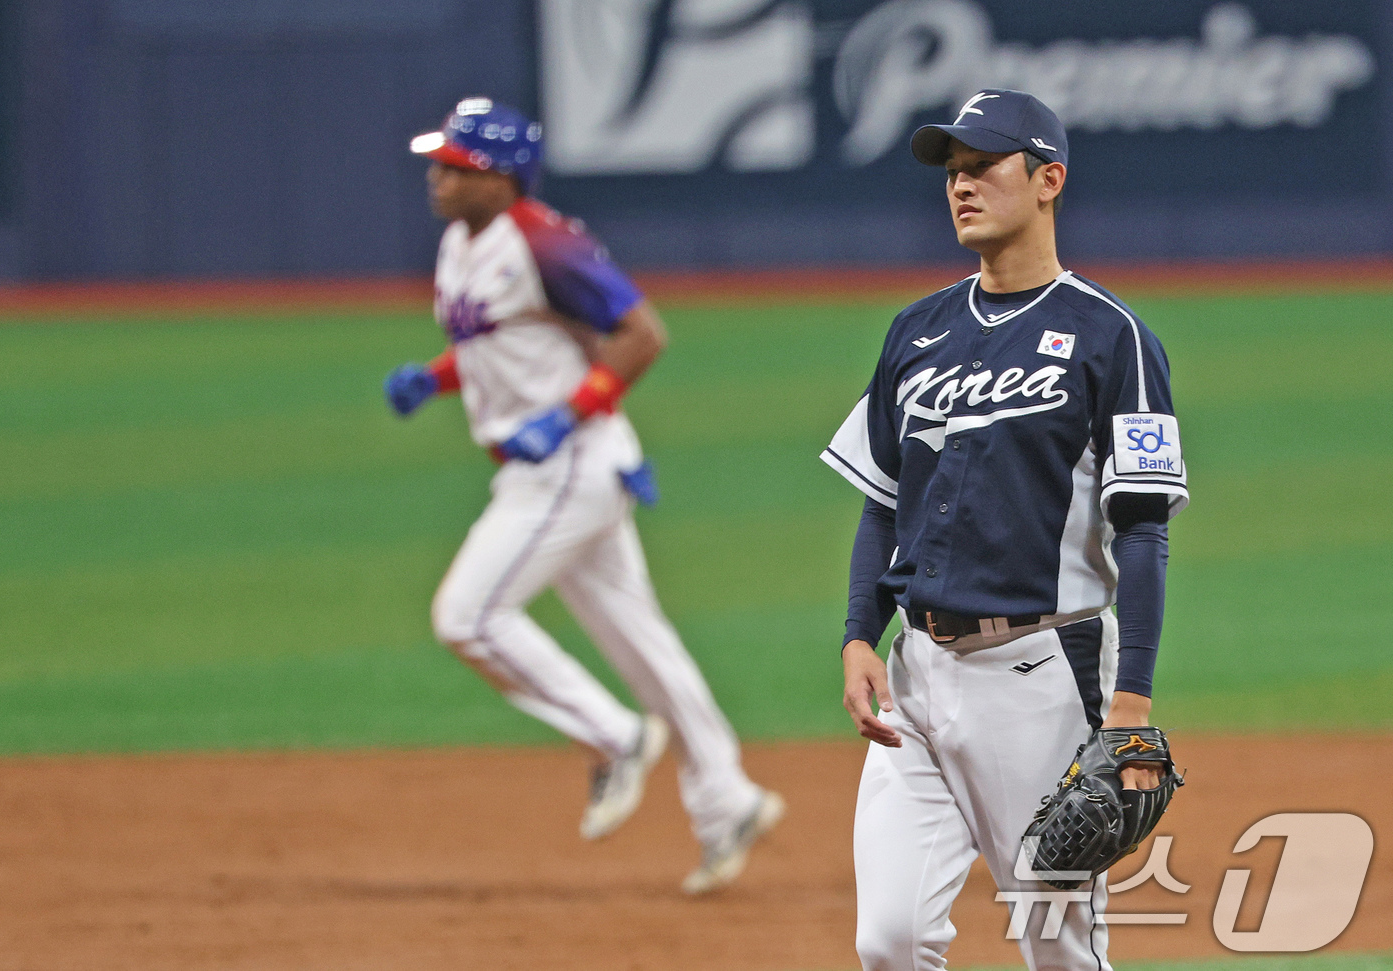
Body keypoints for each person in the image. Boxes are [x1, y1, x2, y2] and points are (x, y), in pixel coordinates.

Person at [820, 89, 1188, 970]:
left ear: (1048, 179)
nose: (961, 186)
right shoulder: (917, 331)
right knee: (890, 939)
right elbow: (883, 501)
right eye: (952, 172)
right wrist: (859, 635)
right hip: (917, 671)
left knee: (1055, 945)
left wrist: (1130, 704)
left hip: (1043, 676)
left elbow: (1141, 529)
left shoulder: (1114, 338)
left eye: (982, 167)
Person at [385, 97, 782, 894]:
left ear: (498, 179)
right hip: (558, 464)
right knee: (644, 641)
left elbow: (643, 332)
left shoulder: (546, 243)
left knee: (467, 615)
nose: (437, 177)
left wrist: (567, 414)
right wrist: (434, 377)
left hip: (568, 463)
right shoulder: (464, 243)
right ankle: (726, 797)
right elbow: (502, 340)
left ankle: (613, 736)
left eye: (455, 167)